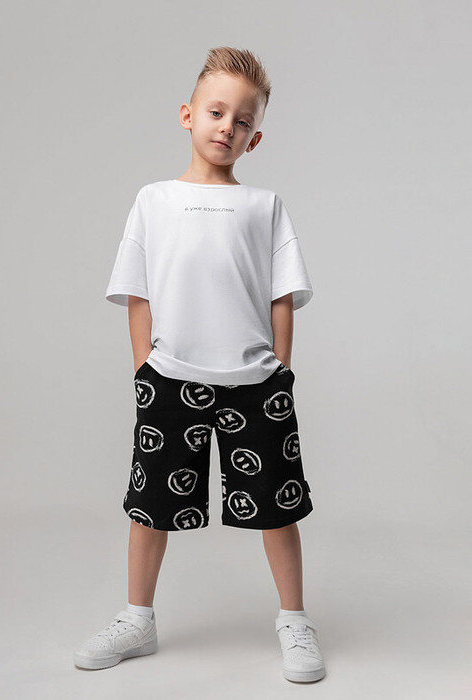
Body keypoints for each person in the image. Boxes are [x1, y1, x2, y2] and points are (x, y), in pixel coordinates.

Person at [74, 46, 326, 684]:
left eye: (242, 121)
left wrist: (281, 370)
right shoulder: (153, 199)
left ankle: (294, 620)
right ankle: (138, 618)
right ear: (188, 114)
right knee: (149, 506)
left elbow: (282, 295)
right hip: (169, 378)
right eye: (216, 112)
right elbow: (137, 291)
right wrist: (144, 369)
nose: (227, 127)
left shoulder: (265, 206)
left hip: (256, 383)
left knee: (278, 507)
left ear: (254, 138)